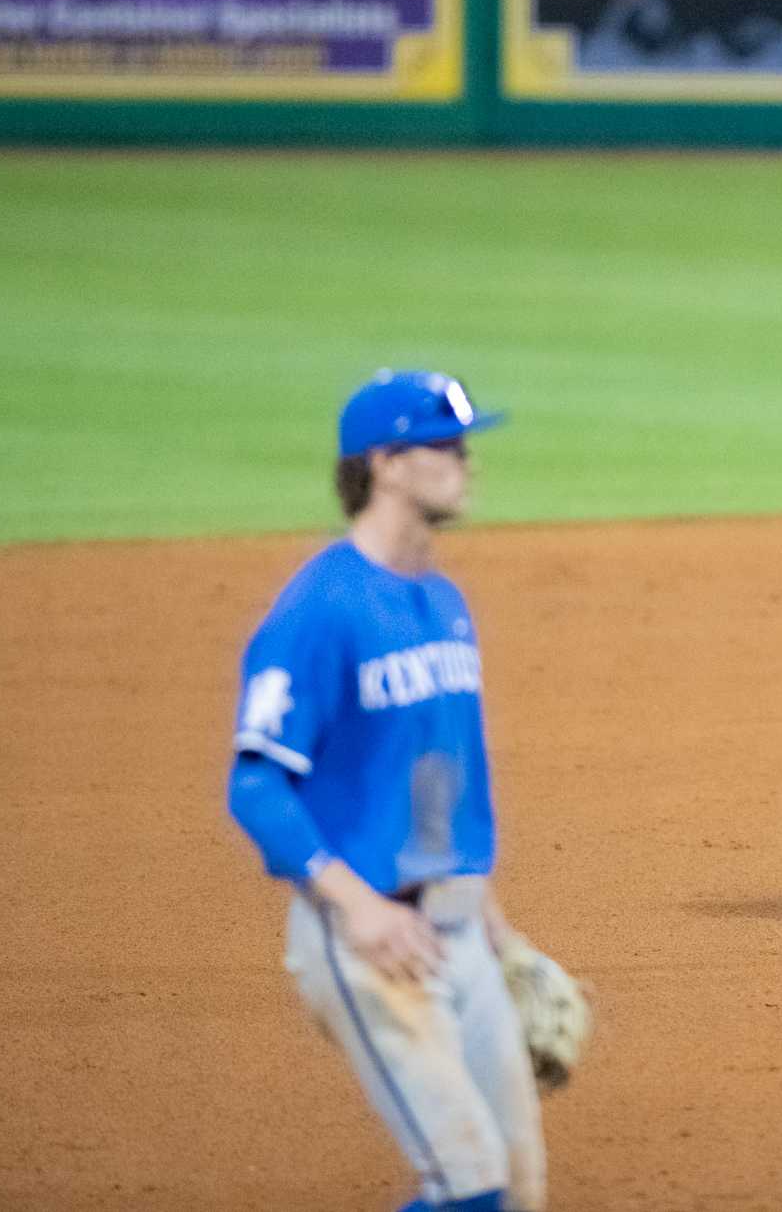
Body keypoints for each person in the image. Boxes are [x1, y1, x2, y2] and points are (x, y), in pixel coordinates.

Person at [225, 369, 545, 1211]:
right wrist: (358, 907)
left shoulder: (444, 602)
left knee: (515, 1193)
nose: (466, 460)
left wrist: (502, 937)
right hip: (367, 937)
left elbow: (444, 802)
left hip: (458, 928)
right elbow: (255, 784)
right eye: (444, 445)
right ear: (387, 464)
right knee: (471, 1184)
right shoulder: (319, 607)